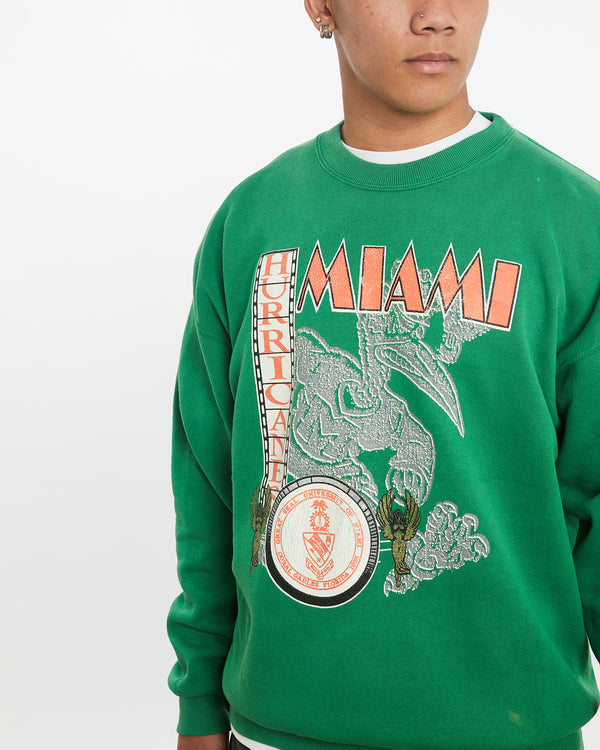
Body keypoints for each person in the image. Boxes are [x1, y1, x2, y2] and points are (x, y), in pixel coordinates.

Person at [166, 1, 600, 748]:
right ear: (320, 4)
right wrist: (197, 700)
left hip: (509, 729)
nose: (437, 16)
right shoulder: (252, 222)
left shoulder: (571, 225)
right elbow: (208, 485)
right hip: (280, 725)